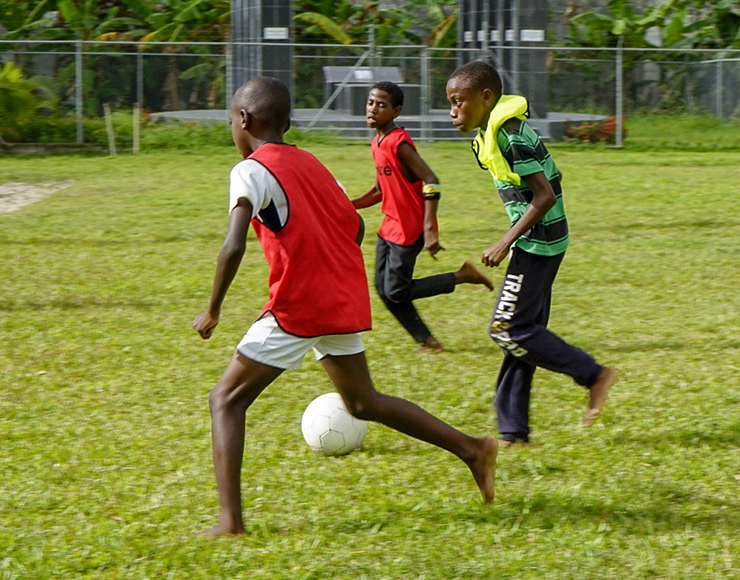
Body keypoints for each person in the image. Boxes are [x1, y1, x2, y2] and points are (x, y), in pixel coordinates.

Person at [192, 76, 498, 537]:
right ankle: (474, 449)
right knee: (361, 401)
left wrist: (213, 309)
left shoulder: (250, 169)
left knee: (226, 400)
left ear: (243, 120)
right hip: (340, 296)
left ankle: (230, 523)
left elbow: (233, 244)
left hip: (301, 304)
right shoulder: (313, 163)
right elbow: (353, 224)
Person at [445, 61, 618, 446]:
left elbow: (545, 195)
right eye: (450, 104)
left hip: (536, 244)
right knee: (522, 334)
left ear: (486, 98)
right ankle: (513, 430)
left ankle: (593, 374)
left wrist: (505, 241)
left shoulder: (510, 135)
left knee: (507, 328)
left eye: (459, 102)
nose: (453, 112)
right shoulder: (493, 133)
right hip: (543, 239)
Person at [351, 81, 494, 353]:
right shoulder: (377, 142)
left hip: (410, 229)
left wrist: (429, 229)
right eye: (370, 103)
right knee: (384, 291)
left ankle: (462, 276)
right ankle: (428, 342)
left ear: (396, 111)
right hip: (389, 227)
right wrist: (347, 205)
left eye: (381, 105)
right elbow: (379, 190)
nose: (373, 109)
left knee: (395, 291)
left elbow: (432, 180)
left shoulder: (398, 143)